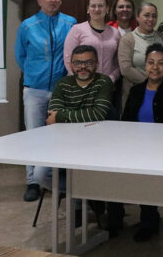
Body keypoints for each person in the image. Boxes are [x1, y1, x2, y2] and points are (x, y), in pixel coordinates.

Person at [114, 44, 163, 242]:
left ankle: (149, 221)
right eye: (151, 63)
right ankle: (114, 218)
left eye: (161, 63)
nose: (155, 67)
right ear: (144, 65)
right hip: (135, 147)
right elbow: (126, 122)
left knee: (146, 172)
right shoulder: (136, 90)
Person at [14, 0, 76, 201]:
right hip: (35, 90)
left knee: (60, 137)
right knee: (33, 136)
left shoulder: (70, 23)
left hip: (61, 90)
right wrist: (35, 74)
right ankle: (33, 181)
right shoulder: (28, 26)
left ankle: (55, 177)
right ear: (40, 1)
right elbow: (20, 56)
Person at [33, 45, 114, 193]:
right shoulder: (62, 84)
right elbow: (52, 118)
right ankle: (81, 195)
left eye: (89, 62)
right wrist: (64, 116)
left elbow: (98, 113)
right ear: (71, 65)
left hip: (95, 146)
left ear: (97, 64)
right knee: (40, 174)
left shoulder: (104, 82)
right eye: (77, 63)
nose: (83, 67)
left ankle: (82, 199)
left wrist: (62, 116)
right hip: (64, 144)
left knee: (92, 176)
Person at [118, 2, 163, 108]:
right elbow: (126, 69)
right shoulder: (128, 39)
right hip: (136, 93)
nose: (151, 19)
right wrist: (150, 84)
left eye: (154, 16)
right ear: (137, 17)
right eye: (147, 15)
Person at [63, 0, 120, 87]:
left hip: (107, 85)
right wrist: (81, 79)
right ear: (88, 9)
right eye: (93, 6)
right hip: (80, 85)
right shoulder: (77, 30)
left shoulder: (115, 33)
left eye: (101, 6)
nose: (97, 9)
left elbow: (118, 61)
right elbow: (68, 58)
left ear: (107, 9)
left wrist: (112, 78)